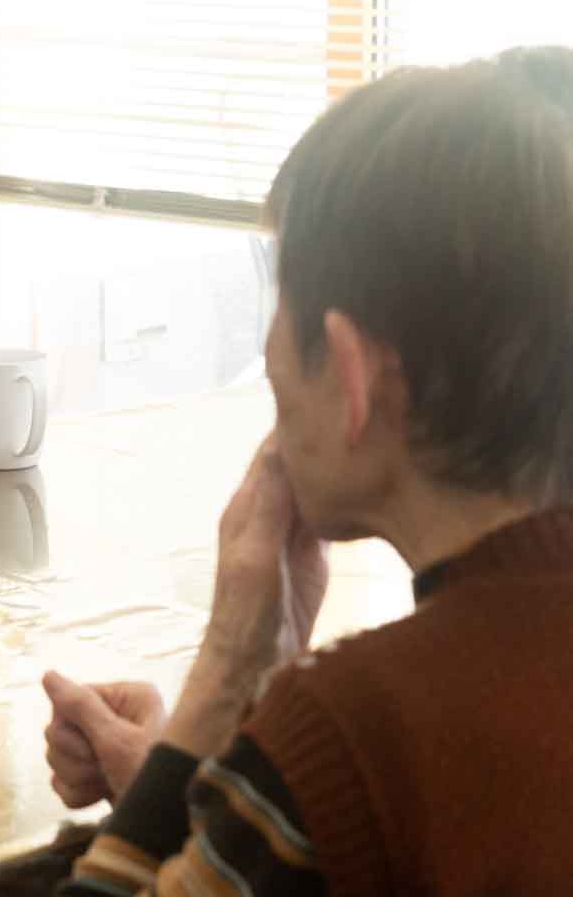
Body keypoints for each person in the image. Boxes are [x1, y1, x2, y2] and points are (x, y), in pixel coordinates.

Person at [45, 47, 573, 894]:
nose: (266, 361)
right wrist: (214, 786)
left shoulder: (349, 736)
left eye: (282, 313)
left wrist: (223, 679)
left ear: (352, 374)